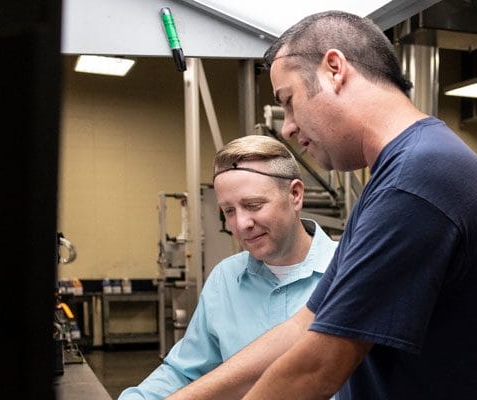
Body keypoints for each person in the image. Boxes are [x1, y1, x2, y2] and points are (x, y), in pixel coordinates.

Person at [169, 10, 477, 400]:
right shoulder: (393, 178)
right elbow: (302, 329)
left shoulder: (419, 177)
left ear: (334, 69)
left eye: (289, 101)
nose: (287, 126)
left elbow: (320, 365)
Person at [120, 135, 338, 399]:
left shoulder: (348, 271)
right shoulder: (226, 278)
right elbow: (184, 371)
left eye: (253, 205)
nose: (241, 223)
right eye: (229, 211)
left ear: (295, 195)